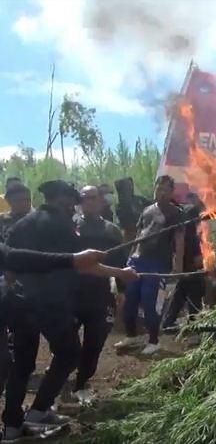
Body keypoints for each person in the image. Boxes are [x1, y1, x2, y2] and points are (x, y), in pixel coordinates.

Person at [2, 180, 136, 440]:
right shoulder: (61, 225)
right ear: (60, 200)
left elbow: (9, 266)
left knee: (23, 363)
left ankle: (11, 427)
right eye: (70, 201)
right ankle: (39, 410)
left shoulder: (20, 225)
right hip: (48, 303)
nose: (73, 206)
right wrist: (121, 272)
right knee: (70, 352)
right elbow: (83, 264)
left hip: (18, 301)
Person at [115, 175, 184, 355]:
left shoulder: (176, 213)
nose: (161, 193)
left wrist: (178, 266)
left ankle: (154, 341)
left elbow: (179, 240)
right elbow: (139, 236)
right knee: (129, 300)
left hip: (158, 264)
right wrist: (129, 259)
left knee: (150, 301)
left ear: (171, 192)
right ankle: (132, 336)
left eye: (165, 190)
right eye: (158, 189)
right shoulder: (147, 210)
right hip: (137, 260)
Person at [70, 186, 125, 405]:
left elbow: (120, 263)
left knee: (95, 343)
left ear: (101, 201)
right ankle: (61, 378)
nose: (89, 202)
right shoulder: (71, 227)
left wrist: (122, 291)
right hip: (72, 295)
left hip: (101, 295)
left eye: (94, 198)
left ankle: (81, 384)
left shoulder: (111, 231)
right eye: (85, 198)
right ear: (80, 202)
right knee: (67, 343)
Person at [162, 193, 205, 333]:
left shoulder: (184, 215)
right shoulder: (191, 225)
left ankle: (169, 322)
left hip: (185, 262)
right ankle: (193, 322)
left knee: (181, 290)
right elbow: (196, 257)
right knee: (194, 289)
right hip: (189, 263)